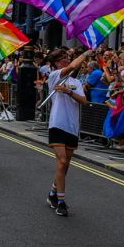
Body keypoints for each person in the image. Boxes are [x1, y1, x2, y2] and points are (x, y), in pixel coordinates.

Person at [45, 48, 93, 217]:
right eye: (61, 59)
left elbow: (84, 101)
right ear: (56, 63)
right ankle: (62, 201)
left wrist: (69, 91)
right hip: (57, 124)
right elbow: (72, 66)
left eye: (66, 57)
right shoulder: (55, 76)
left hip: (72, 127)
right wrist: (86, 54)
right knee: (62, 161)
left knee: (65, 165)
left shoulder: (76, 82)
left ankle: (53, 193)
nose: (65, 60)